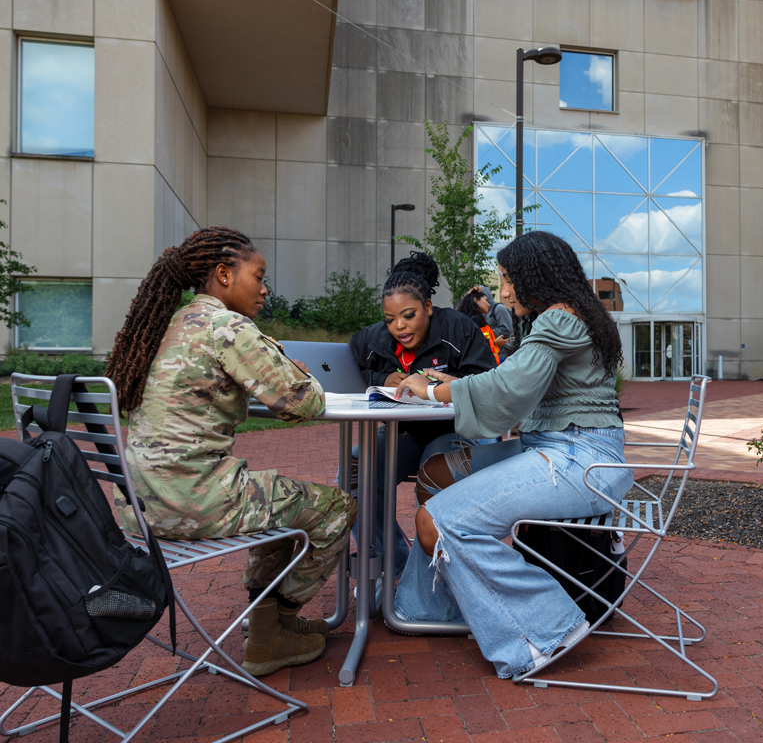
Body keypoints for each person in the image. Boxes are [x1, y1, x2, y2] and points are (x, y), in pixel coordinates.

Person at [106, 226, 356, 677]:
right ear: (223, 274)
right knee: (335, 508)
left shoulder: (167, 323)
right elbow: (306, 403)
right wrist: (290, 371)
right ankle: (269, 629)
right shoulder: (226, 325)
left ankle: (271, 630)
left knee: (279, 495)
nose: (264, 289)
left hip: (141, 507)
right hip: (193, 502)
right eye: (258, 276)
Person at [391, 231, 632, 680]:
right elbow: (516, 379)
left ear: (535, 276)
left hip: (580, 459)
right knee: (439, 475)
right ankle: (429, 609)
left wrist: (437, 388)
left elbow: (509, 390)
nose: (502, 292)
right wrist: (440, 384)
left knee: (446, 519)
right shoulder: (572, 316)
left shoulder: (561, 319)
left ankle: (547, 626)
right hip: (565, 447)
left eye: (507, 280)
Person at [347, 252, 497, 594]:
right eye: (389, 319)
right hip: (407, 432)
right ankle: (390, 559)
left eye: (408, 315)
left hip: (456, 431)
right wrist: (383, 376)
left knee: (437, 472)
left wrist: (440, 384)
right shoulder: (373, 339)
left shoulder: (458, 327)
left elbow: (487, 380)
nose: (399, 326)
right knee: (355, 470)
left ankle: (432, 579)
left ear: (428, 307)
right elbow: (351, 364)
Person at [468, 284, 515, 359]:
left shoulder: (499, 308)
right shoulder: (477, 314)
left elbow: (507, 329)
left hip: (502, 353)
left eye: (487, 300)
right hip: (490, 352)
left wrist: (487, 334)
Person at [456, 291, 503, 365]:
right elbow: (476, 345)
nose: (489, 305)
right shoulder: (474, 321)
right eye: (486, 300)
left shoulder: (468, 319)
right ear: (475, 300)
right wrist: (495, 342)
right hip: (481, 365)